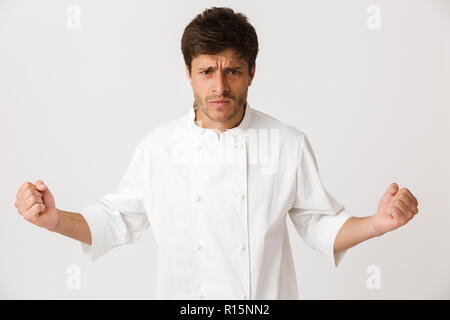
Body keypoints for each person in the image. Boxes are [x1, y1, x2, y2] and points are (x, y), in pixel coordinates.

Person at [14, 7, 419, 300]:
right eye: (207, 71)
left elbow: (321, 225)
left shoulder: (286, 142)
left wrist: (378, 223)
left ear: (252, 73)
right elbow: (113, 221)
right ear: (189, 74)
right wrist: (53, 220)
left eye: (233, 71)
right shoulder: (159, 148)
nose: (220, 87)